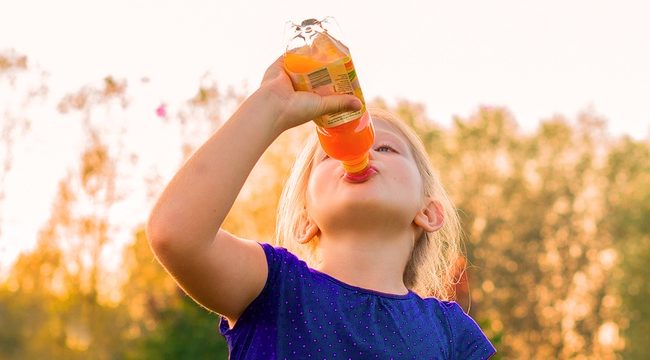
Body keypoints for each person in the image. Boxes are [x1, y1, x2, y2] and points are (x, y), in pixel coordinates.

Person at [146, 56, 497, 359]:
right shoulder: (274, 287)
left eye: (387, 148)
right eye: (331, 152)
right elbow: (174, 233)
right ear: (304, 220)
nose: (361, 151)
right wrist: (271, 104)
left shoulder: (451, 332)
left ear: (429, 212)